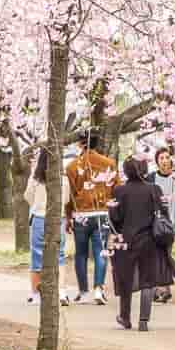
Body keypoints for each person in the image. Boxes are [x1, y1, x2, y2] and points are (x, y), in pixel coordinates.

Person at [110, 154, 175, 332]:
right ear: (144, 170)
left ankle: (125, 317)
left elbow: (115, 218)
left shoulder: (119, 191)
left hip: (126, 240)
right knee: (148, 280)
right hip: (149, 239)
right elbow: (163, 214)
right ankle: (144, 320)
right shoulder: (154, 189)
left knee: (125, 278)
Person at [65, 130, 120, 305]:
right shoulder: (109, 164)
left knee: (80, 254)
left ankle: (83, 291)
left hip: (81, 213)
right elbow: (116, 189)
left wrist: (69, 216)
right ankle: (98, 289)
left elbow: (70, 195)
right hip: (102, 213)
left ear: (80, 144)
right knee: (100, 251)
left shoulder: (72, 166)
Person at [25, 149, 71, 306]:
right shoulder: (63, 179)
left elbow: (27, 196)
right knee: (60, 255)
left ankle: (36, 293)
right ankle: (61, 291)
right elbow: (66, 199)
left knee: (37, 255)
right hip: (58, 218)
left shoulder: (36, 179)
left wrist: (38, 204)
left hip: (39, 218)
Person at [146, 147, 175, 303]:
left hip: (170, 224)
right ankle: (156, 288)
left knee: (166, 254)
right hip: (154, 224)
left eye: (167, 157)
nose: (165, 161)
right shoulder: (151, 178)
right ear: (157, 161)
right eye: (161, 158)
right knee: (154, 255)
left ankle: (165, 289)